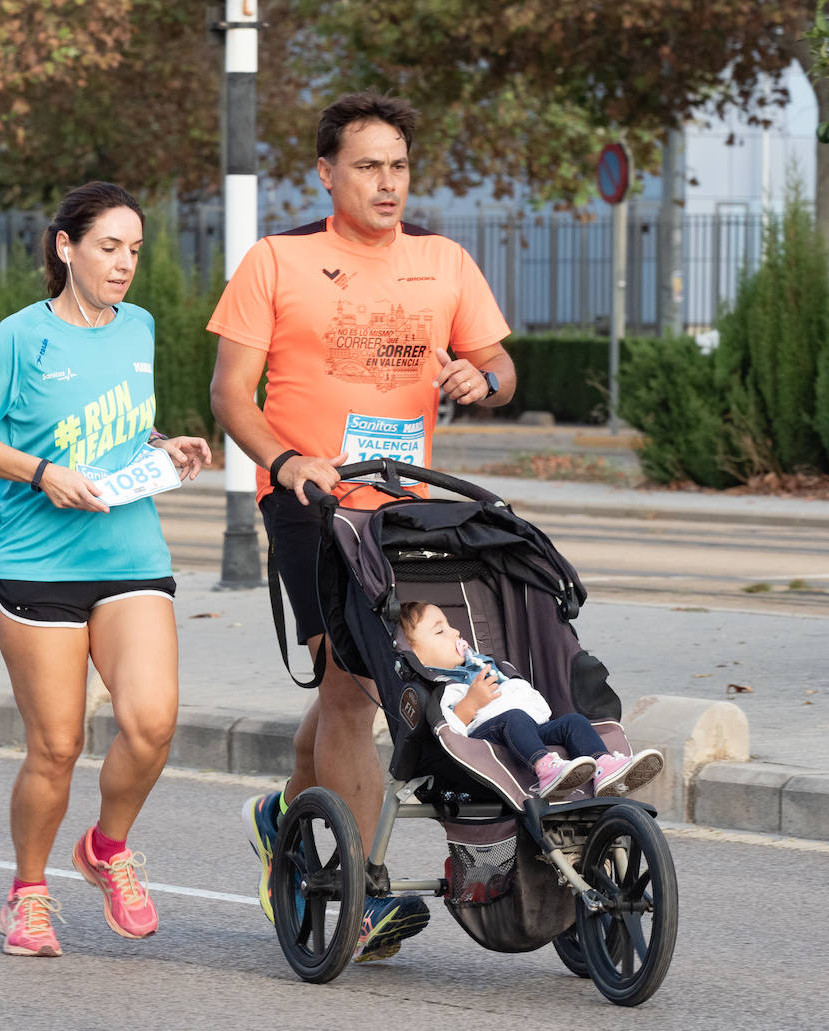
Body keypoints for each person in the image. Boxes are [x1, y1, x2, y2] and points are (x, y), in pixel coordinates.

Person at [208, 88, 519, 962]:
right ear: (326, 172)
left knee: (357, 682)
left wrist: (479, 382)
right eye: (368, 165)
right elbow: (230, 394)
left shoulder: (444, 262)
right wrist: (285, 462)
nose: (388, 183)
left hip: (405, 509)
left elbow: (500, 367)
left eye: (399, 166)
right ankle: (362, 888)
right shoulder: (276, 261)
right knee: (353, 685)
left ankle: (283, 819)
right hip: (311, 503)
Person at [0, 181, 212, 958]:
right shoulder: (21, 338)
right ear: (66, 247)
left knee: (151, 722)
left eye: (134, 251)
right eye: (109, 247)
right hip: (36, 562)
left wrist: (162, 448)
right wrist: (39, 470)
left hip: (130, 553)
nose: (124, 265)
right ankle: (27, 892)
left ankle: (107, 848)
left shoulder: (139, 327)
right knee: (55, 745)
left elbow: (119, 425)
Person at [400, 603, 664, 797]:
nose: (455, 632)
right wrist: (471, 702)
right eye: (440, 632)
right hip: (488, 738)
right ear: (418, 657)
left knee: (573, 721)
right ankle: (545, 768)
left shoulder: (485, 668)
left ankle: (604, 767)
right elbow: (450, 733)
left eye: (450, 625)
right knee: (514, 718)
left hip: (528, 727)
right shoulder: (444, 686)